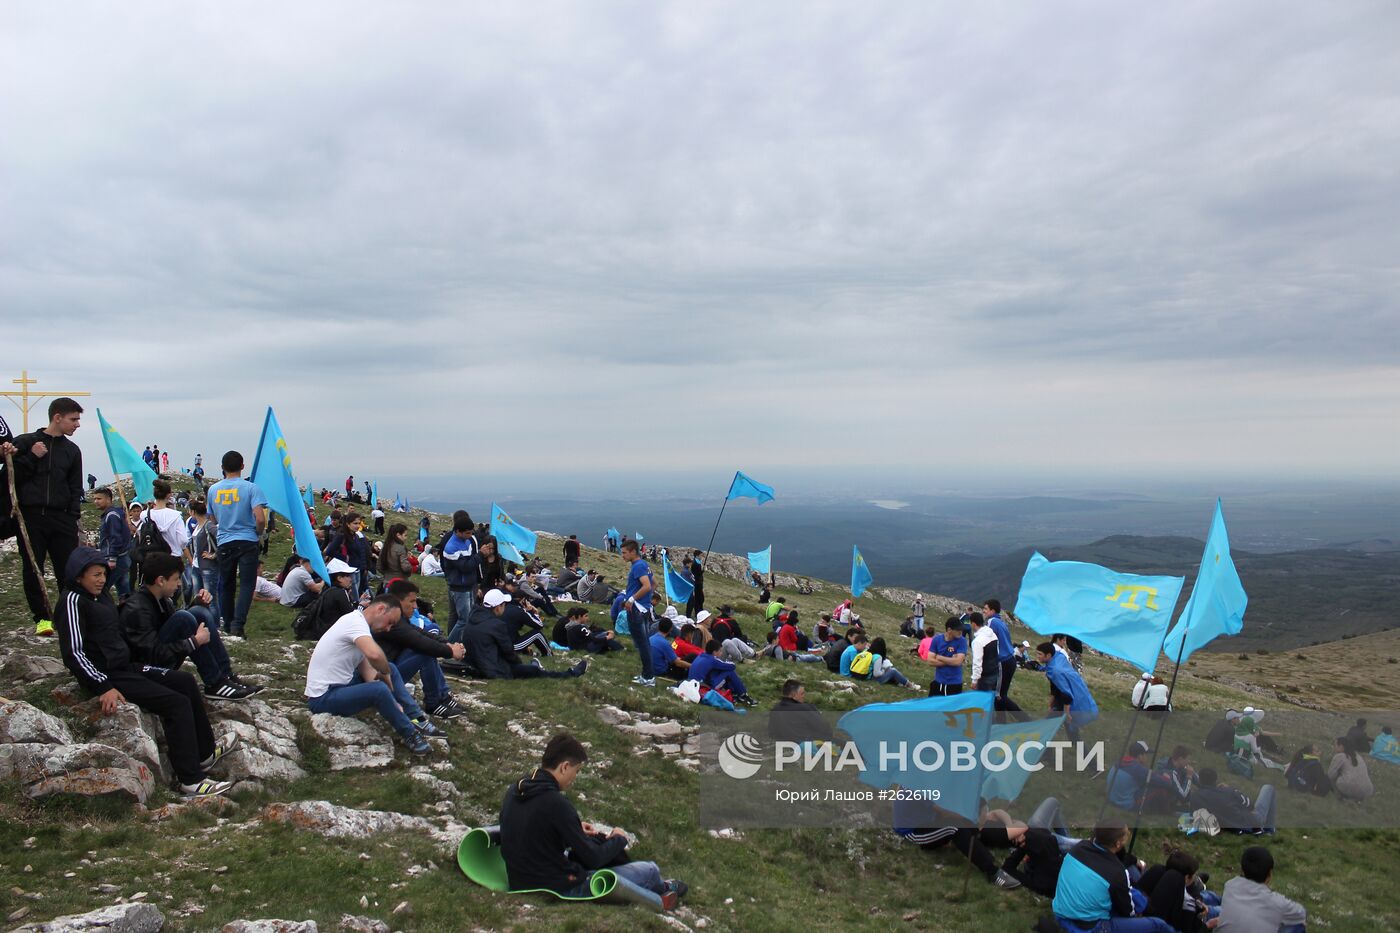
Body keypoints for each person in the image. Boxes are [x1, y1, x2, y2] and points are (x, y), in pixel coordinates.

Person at [56, 547, 239, 797]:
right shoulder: (72, 600)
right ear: (78, 576)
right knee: (175, 703)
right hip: (109, 676)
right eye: (95, 575)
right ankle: (190, 779)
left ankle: (205, 754)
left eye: (103, 574)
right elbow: (74, 653)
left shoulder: (100, 596)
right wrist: (103, 686)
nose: (101, 580)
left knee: (185, 681)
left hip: (127, 666)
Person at [499, 733, 686, 910]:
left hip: (520, 881)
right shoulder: (556, 803)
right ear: (564, 767)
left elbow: (534, 827)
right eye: (576, 771)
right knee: (649, 870)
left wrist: (574, 828)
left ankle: (661, 889)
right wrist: (619, 839)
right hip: (557, 885)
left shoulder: (516, 790)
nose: (574, 778)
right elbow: (593, 858)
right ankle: (662, 890)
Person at [304, 593, 443, 755]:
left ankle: (418, 720)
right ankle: (410, 735)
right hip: (322, 698)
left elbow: (367, 670)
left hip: (339, 687)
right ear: (381, 609)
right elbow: (375, 655)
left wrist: (391, 699)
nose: (388, 628)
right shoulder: (355, 623)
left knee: (389, 669)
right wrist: (384, 678)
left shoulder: (358, 625)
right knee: (379, 688)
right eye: (390, 622)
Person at [120, 552, 260, 701]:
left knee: (198, 612)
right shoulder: (137, 609)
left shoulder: (159, 599)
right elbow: (152, 654)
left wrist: (198, 603)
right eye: (176, 579)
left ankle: (226, 676)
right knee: (183, 617)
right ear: (160, 581)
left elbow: (172, 629)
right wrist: (194, 642)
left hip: (158, 661)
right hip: (145, 671)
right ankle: (215, 682)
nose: (179, 584)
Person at [5, 397, 85, 636]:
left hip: (62, 519)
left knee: (68, 570)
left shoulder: (72, 450)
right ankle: (42, 619)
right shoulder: (25, 442)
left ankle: (66, 616)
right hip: (31, 517)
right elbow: (9, 478)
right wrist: (31, 456)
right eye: (73, 419)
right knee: (33, 569)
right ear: (57, 417)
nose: (77, 424)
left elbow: (75, 488)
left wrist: (73, 517)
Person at [1053, 821, 1172, 931]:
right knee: (1158, 924)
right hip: (1088, 927)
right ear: (1118, 844)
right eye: (1126, 834)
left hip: (1061, 914)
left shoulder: (1079, 847)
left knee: (1125, 894)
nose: (1128, 834)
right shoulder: (1118, 872)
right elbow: (1128, 912)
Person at [376, 578, 468, 719]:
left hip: (390, 668)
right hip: (383, 677)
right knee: (425, 652)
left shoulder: (397, 617)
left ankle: (443, 696)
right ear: (397, 601)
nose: (415, 607)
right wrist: (450, 651)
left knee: (426, 647)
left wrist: (448, 644)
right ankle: (433, 703)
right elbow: (419, 641)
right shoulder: (390, 621)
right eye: (412, 602)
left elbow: (419, 633)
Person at [892, 796, 1023, 890]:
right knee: (955, 827)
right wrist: (967, 815)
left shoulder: (931, 779)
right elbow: (942, 810)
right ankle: (993, 872)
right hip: (914, 831)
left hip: (931, 821)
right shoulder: (917, 784)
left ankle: (1005, 844)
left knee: (968, 825)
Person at [206, 450, 268, 637]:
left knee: (227, 584)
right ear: (242, 466)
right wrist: (258, 532)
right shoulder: (252, 488)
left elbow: (212, 519)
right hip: (248, 540)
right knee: (247, 584)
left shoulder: (213, 490)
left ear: (222, 467)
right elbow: (260, 518)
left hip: (225, 541)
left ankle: (227, 623)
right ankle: (238, 625)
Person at [462, 589, 588, 681]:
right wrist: (519, 665)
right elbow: (508, 652)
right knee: (533, 671)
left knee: (528, 668)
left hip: (474, 664)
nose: (505, 607)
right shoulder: (496, 624)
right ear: (497, 608)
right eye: (503, 605)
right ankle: (571, 674)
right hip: (492, 670)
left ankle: (535, 665)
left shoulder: (473, 617)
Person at [1214, 846, 1306, 933]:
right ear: (1270, 874)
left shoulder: (1230, 886)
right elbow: (1301, 913)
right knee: (1297, 924)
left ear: (1242, 870)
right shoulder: (1277, 903)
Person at [1037, 641, 1098, 741]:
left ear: (1048, 655)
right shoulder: (1058, 657)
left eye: (1040, 654)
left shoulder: (1055, 671)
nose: (1037, 656)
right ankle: (1081, 749)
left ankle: (1045, 750)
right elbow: (1055, 687)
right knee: (1071, 731)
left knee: (1047, 727)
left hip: (1066, 700)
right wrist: (1051, 703)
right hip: (1067, 695)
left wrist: (1067, 713)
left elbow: (1066, 695)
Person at [1192, 767, 1277, 833]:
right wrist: (1231, 789)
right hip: (1249, 825)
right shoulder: (1228, 791)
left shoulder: (1195, 798)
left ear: (1200, 780)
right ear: (1216, 780)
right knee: (1268, 788)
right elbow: (1250, 805)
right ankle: (1269, 830)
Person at [619, 540, 657, 687]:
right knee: (645, 642)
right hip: (644, 608)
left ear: (633, 551)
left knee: (642, 644)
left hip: (636, 609)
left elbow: (647, 586)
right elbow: (654, 584)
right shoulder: (644, 564)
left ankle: (648, 677)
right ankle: (648, 674)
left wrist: (632, 599)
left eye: (624, 553)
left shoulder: (638, 566)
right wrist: (646, 599)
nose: (622, 555)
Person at [92, 487, 135, 602]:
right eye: (95, 499)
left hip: (117, 559)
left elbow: (115, 538)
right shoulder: (115, 514)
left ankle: (102, 610)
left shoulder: (111, 516)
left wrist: (112, 558)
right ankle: (126, 609)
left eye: (99, 499)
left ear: (108, 499)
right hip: (122, 557)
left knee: (102, 588)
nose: (96, 501)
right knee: (124, 590)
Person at [687, 639, 757, 706]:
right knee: (729, 672)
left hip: (692, 685)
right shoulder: (713, 660)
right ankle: (743, 694)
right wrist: (728, 661)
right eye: (720, 651)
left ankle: (734, 693)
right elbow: (732, 666)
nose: (722, 653)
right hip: (704, 688)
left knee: (720, 672)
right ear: (714, 652)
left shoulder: (700, 655)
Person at [769, 680, 833, 745]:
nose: (803, 696)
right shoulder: (805, 708)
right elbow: (826, 730)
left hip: (782, 746)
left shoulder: (775, 709)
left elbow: (772, 733)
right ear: (793, 694)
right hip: (809, 746)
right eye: (802, 693)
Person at [324, 511, 371, 597]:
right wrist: (344, 557)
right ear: (348, 524)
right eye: (355, 523)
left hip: (357, 570)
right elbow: (329, 551)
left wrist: (364, 568)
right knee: (353, 595)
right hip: (348, 571)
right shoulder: (342, 535)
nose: (358, 526)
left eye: (359, 523)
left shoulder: (355, 535)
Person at [924, 617, 967, 697]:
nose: (961, 632)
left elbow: (958, 662)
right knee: (933, 704)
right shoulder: (937, 640)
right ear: (949, 630)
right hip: (938, 682)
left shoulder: (962, 641)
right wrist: (951, 660)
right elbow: (930, 661)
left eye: (961, 629)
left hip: (954, 683)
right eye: (958, 630)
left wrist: (940, 658)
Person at [982, 599, 1015, 701]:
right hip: (1010, 659)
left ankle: (1019, 712)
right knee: (1002, 694)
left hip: (1002, 661)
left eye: (985, 609)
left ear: (992, 611)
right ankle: (1001, 713)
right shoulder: (1001, 622)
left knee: (998, 696)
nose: (983, 611)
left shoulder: (991, 622)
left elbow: (987, 641)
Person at [1105, 740, 1152, 811]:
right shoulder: (1137, 768)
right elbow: (1158, 780)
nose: (1147, 758)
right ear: (1140, 756)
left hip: (1111, 800)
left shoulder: (1118, 762)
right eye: (1146, 754)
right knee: (1158, 790)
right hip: (1127, 805)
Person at [1327, 735, 1374, 801]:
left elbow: (1330, 775)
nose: (1334, 748)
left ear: (1341, 746)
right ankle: (1355, 799)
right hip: (1368, 790)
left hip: (1351, 787)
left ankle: (1342, 796)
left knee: (1337, 779)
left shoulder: (1340, 756)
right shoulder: (1358, 756)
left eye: (1335, 745)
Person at [967, 612, 999, 693]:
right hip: (995, 671)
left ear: (973, 624)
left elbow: (977, 661)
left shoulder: (977, 641)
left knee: (981, 698)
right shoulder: (992, 634)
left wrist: (974, 680)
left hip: (985, 676)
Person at [685, 549, 705, 618]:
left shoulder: (698, 562)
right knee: (698, 599)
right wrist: (701, 572)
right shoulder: (695, 563)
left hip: (699, 583)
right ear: (697, 556)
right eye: (700, 555)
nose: (701, 557)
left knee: (701, 599)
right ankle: (698, 612)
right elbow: (695, 574)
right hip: (697, 584)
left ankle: (700, 611)